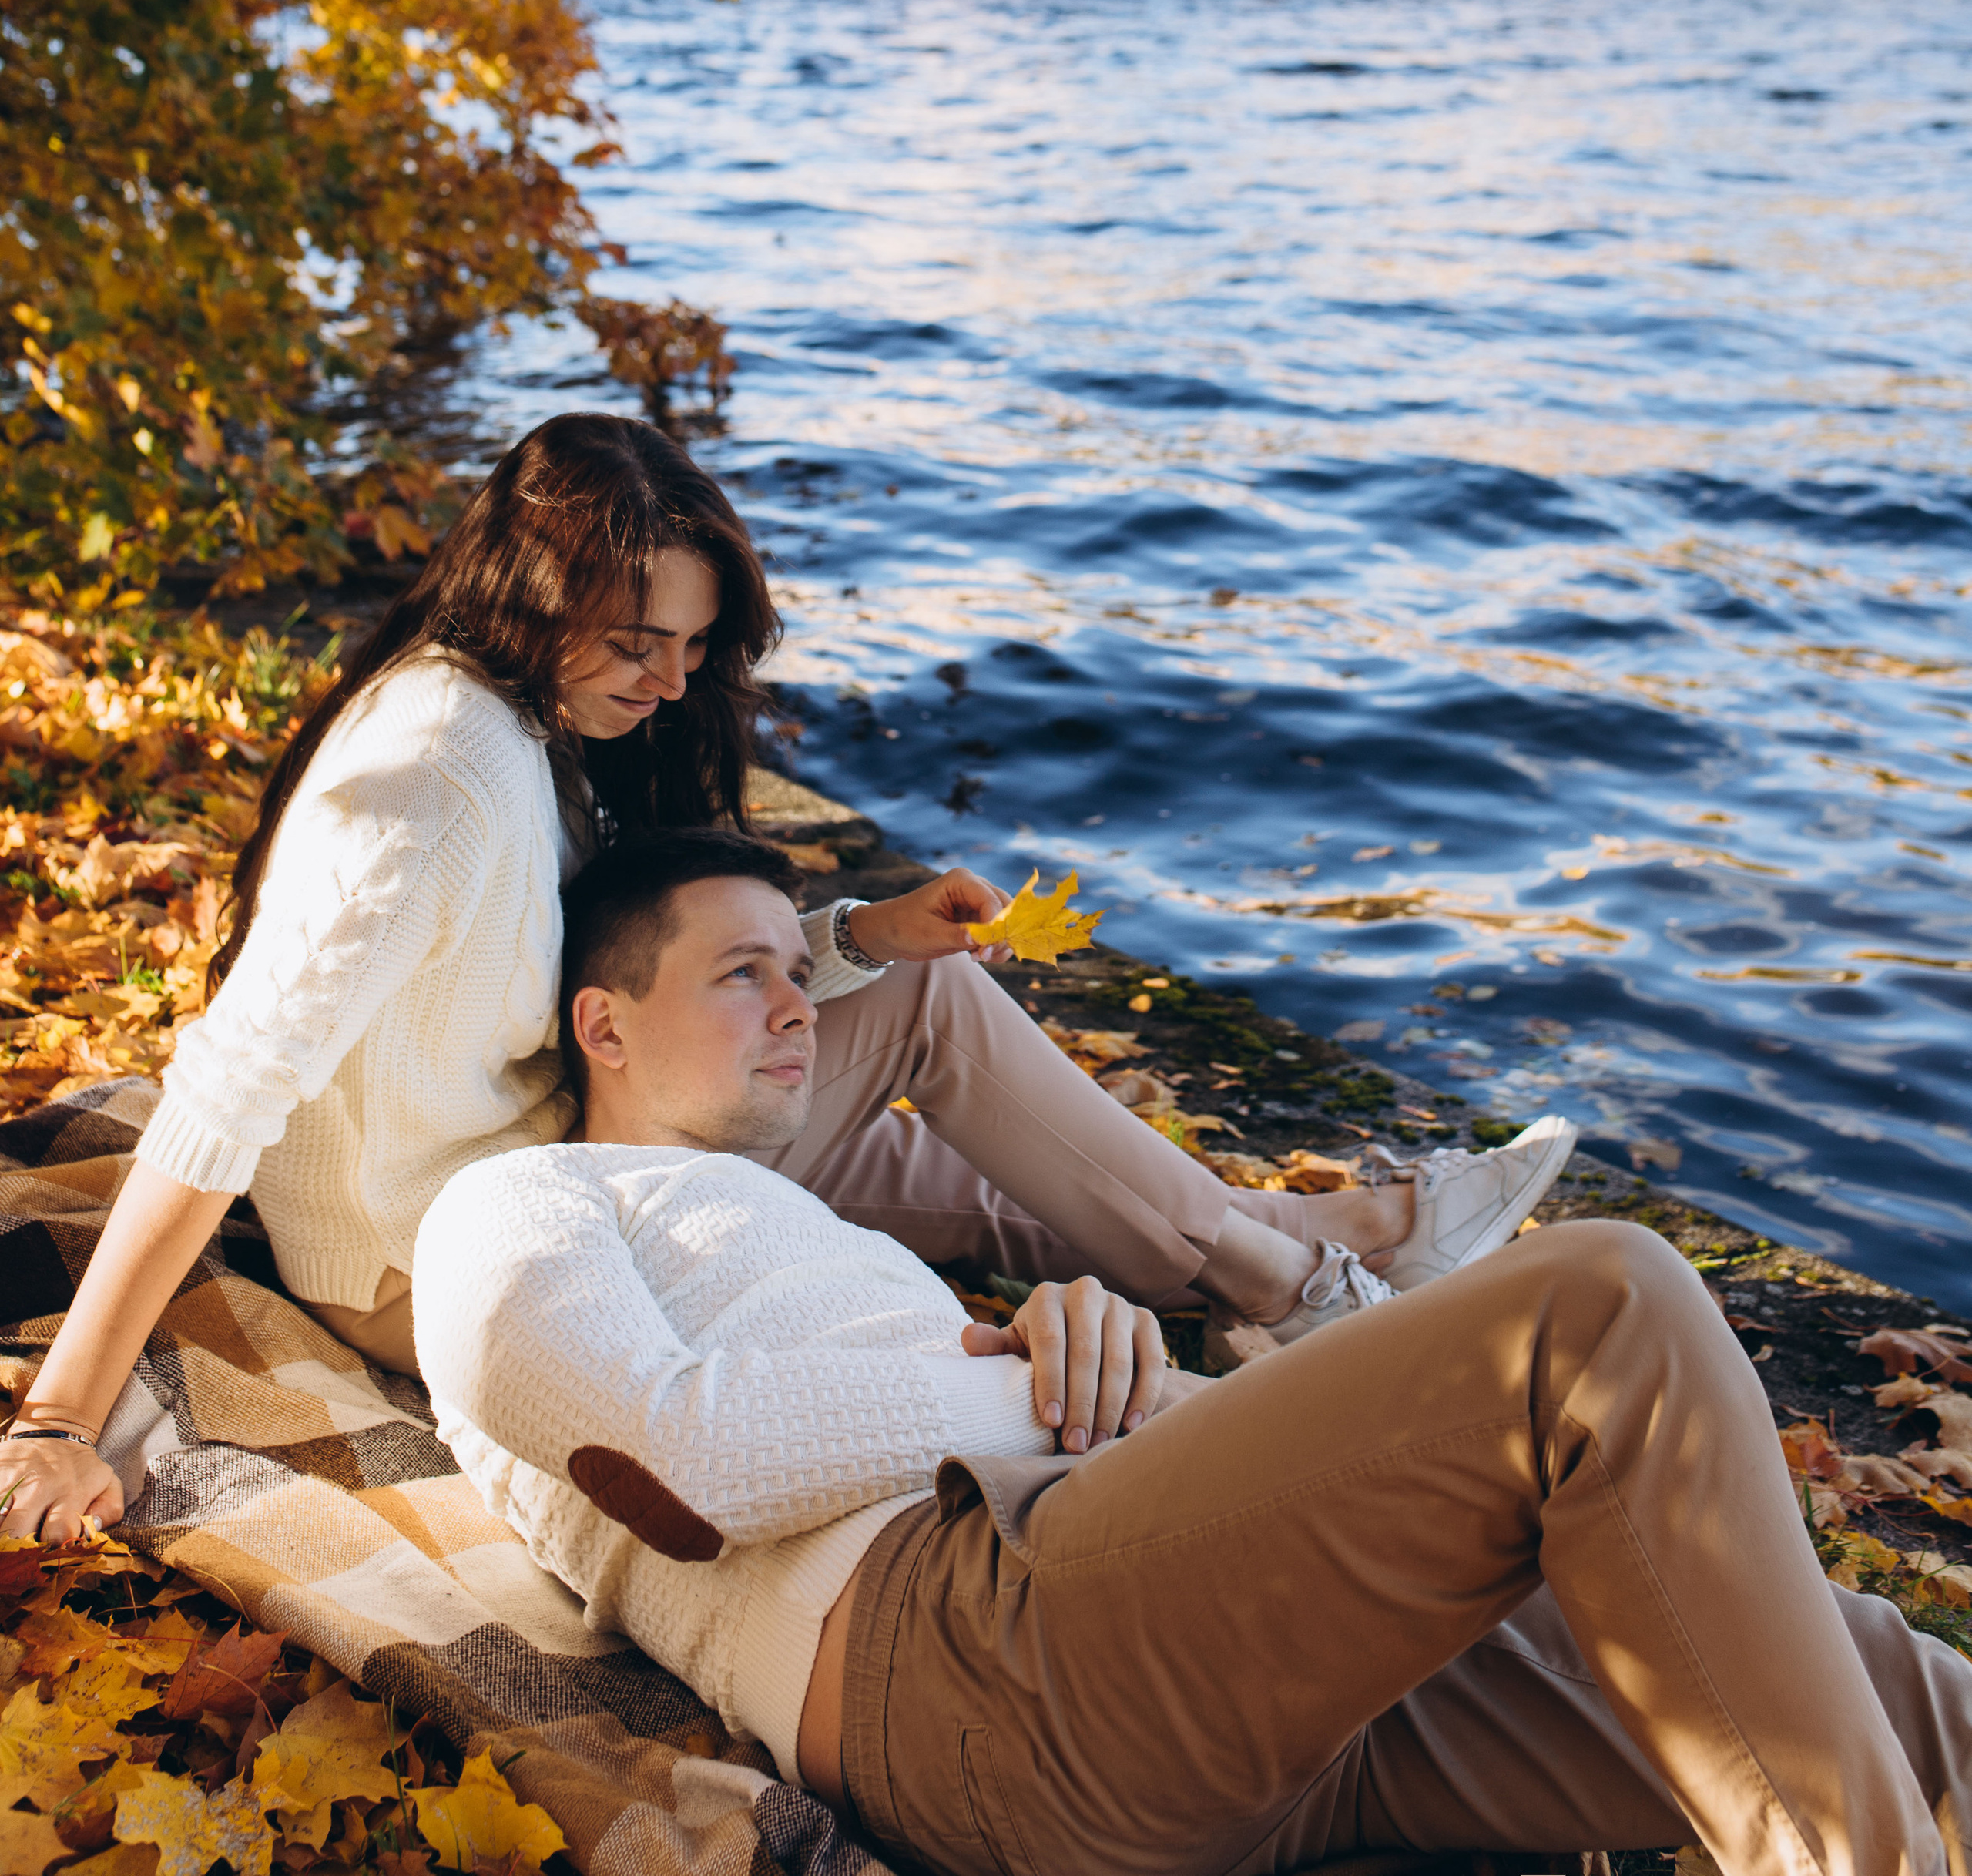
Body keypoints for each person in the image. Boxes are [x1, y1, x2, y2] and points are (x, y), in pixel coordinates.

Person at [2, 412, 1571, 1546]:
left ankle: (1327, 1243)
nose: (671, 681)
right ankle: (1312, 1281)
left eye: (692, 645)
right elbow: (225, 1088)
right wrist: (65, 1416)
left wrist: (849, 945)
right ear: (532, 593)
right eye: (637, 640)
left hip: (551, 1148)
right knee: (935, 1039)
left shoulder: (510, 724)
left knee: (904, 1089)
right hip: (456, 1257)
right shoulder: (434, 778)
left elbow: (608, 971)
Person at [413, 834, 1972, 1876]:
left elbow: (984, 1342)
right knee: (1598, 1312)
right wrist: (1049, 1383)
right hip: (977, 1663)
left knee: (1887, 1678)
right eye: (739, 973)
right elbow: (685, 1458)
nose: (798, 1010)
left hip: (1218, 1668)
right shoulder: (517, 1204)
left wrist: (1089, 1358)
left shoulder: (799, 1216)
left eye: (799, 972)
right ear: (602, 1027)